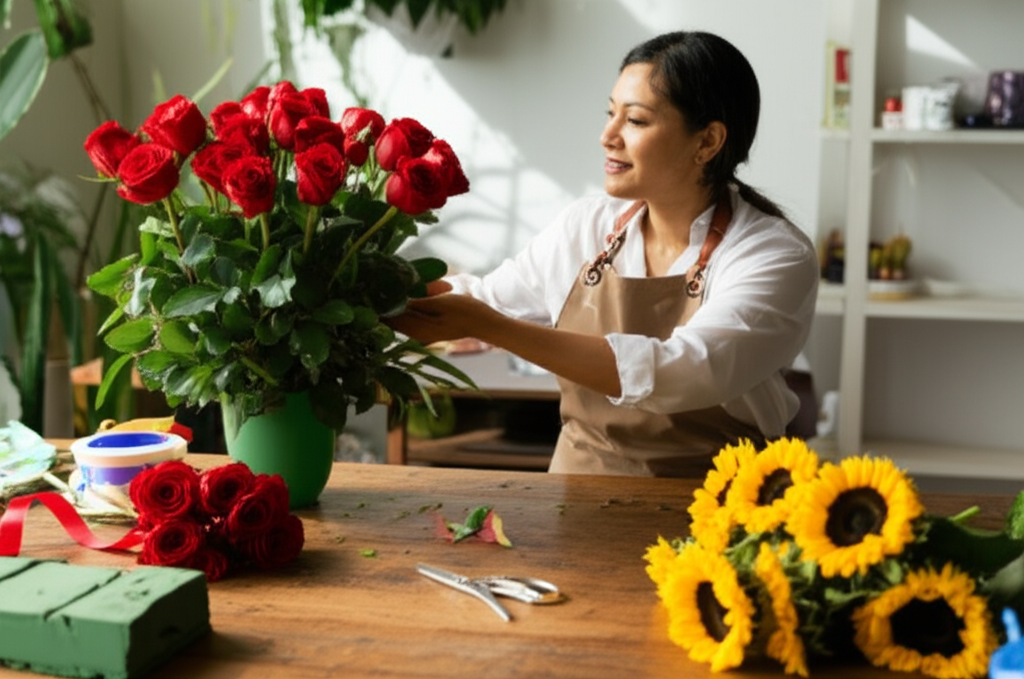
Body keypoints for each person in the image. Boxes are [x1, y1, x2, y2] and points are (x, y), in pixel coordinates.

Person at [389, 30, 820, 477]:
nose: (607, 136)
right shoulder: (586, 226)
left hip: (714, 510)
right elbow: (484, 298)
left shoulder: (773, 254)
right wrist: (359, 280)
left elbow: (684, 370)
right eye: (610, 114)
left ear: (708, 141)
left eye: (635, 121)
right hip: (575, 492)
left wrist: (490, 328)